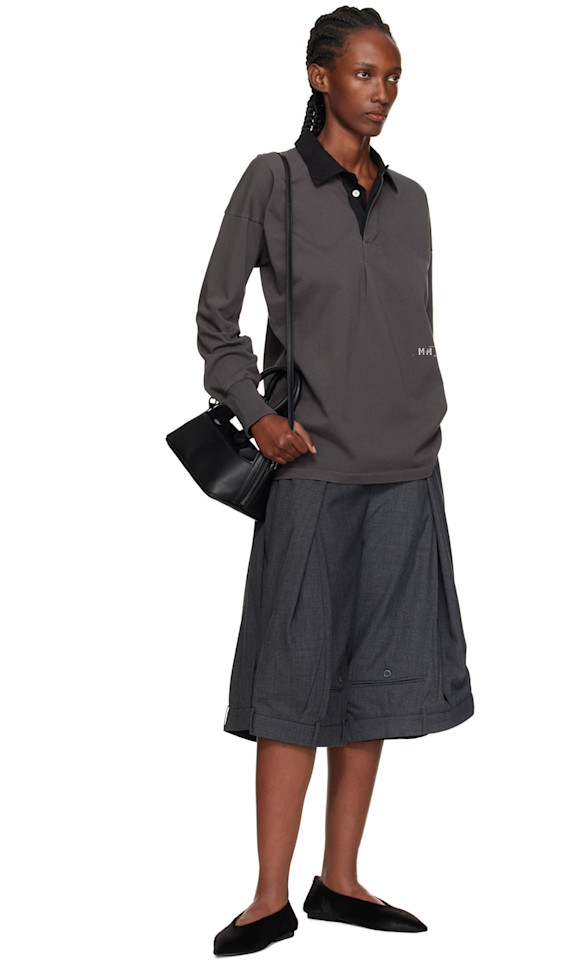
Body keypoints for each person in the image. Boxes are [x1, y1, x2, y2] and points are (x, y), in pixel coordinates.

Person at [194, 7, 475, 956]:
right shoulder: (273, 182)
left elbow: (407, 324)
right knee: (293, 679)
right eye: (364, 73)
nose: (382, 92)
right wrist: (258, 415)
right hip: (311, 470)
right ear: (320, 77)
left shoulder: (412, 199)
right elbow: (216, 319)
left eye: (392, 77)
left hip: (406, 469)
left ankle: (339, 881)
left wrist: (426, 409)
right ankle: (267, 897)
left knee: (376, 680)